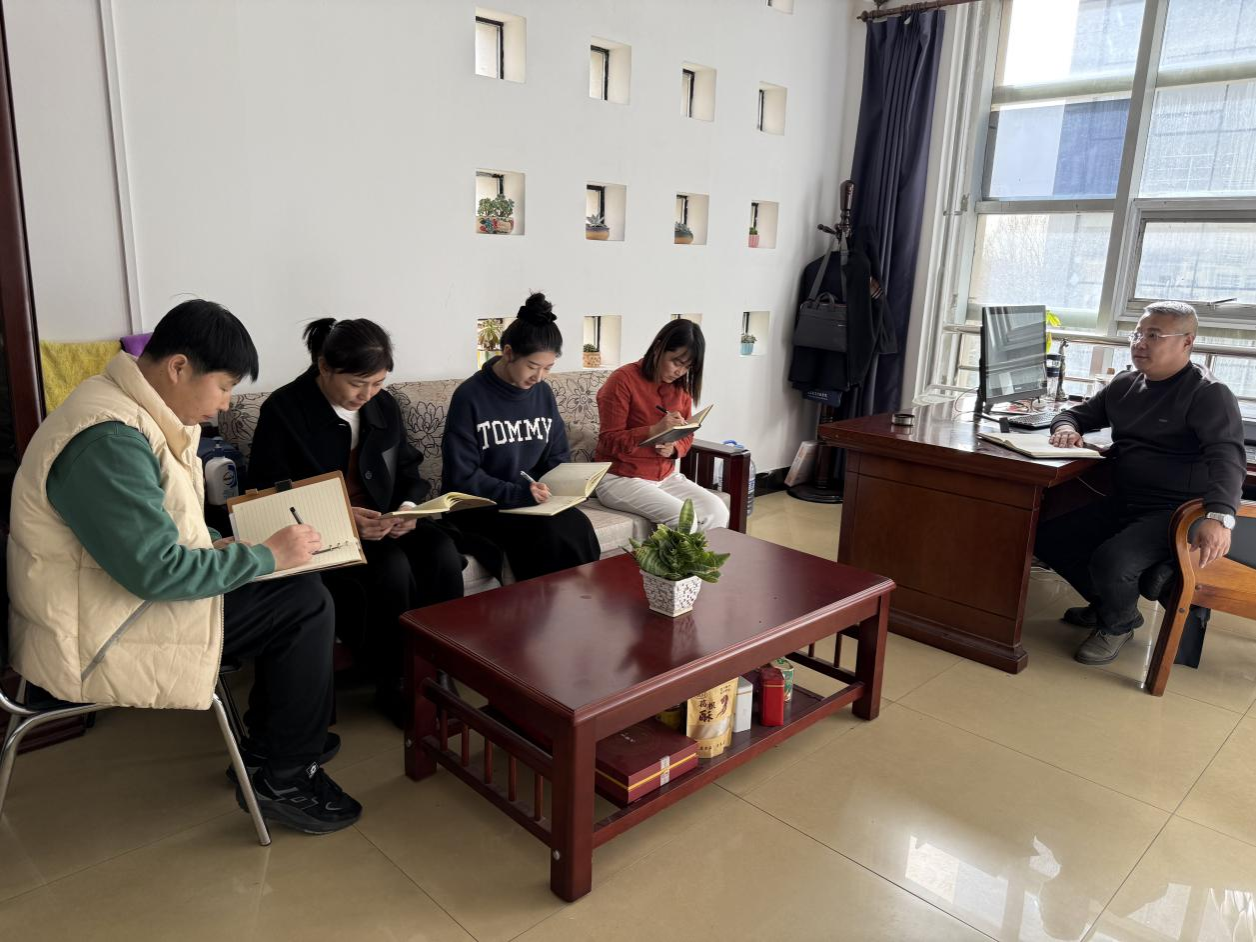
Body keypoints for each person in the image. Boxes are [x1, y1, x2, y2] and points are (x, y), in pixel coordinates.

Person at [7, 300, 361, 834]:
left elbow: (161, 527)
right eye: (223, 387)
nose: (224, 405)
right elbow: (156, 571)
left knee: (295, 586)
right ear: (178, 367)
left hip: (108, 599)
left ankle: (275, 744)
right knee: (303, 603)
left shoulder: (124, 409)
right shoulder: (109, 437)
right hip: (99, 627)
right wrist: (265, 556)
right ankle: (285, 776)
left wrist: (224, 544)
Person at [247, 318, 467, 723]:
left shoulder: (384, 405)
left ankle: (440, 667)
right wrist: (343, 517)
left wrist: (407, 508)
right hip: (322, 531)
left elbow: (409, 469)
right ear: (324, 367)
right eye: (357, 384)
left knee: (441, 551)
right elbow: (266, 493)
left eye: (378, 383)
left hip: (383, 521)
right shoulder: (284, 410)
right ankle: (395, 678)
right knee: (390, 566)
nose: (367, 395)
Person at [1034, 301, 1245, 666]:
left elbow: (1228, 457)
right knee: (1049, 536)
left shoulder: (1208, 393)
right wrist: (1066, 428)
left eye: (1154, 335)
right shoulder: (1125, 384)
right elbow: (1075, 414)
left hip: (1175, 510)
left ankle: (1116, 625)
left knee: (1113, 561)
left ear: (1187, 341)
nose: (1139, 343)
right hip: (1125, 499)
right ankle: (1112, 607)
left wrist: (1220, 516)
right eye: (1137, 334)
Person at [441, 292, 600, 581]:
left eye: (548, 368)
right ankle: (541, 609)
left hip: (533, 501)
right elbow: (461, 476)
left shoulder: (543, 393)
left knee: (578, 526)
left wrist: (562, 486)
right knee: (548, 536)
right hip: (483, 507)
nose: (539, 377)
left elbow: (557, 457)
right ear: (508, 352)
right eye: (532, 366)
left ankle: (582, 604)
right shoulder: (470, 397)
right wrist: (518, 493)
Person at [593, 319, 729, 531]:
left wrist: (674, 448)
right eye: (676, 362)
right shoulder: (622, 380)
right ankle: (676, 555)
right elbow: (609, 440)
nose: (680, 372)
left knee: (717, 510)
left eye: (687, 367)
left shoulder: (680, 389)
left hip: (665, 476)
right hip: (620, 477)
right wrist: (654, 430)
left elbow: (687, 435)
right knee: (683, 518)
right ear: (658, 348)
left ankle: (703, 555)